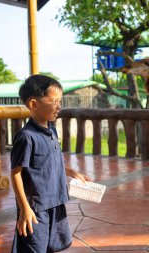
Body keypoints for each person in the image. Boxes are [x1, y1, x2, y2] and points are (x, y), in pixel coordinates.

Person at [10, 74, 90, 252]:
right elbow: (15, 173)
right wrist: (25, 208)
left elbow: (53, 160)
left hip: (56, 200)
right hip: (36, 207)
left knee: (53, 245)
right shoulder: (26, 137)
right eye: (53, 101)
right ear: (33, 104)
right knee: (35, 246)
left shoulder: (51, 130)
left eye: (59, 101)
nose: (58, 106)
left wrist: (72, 172)